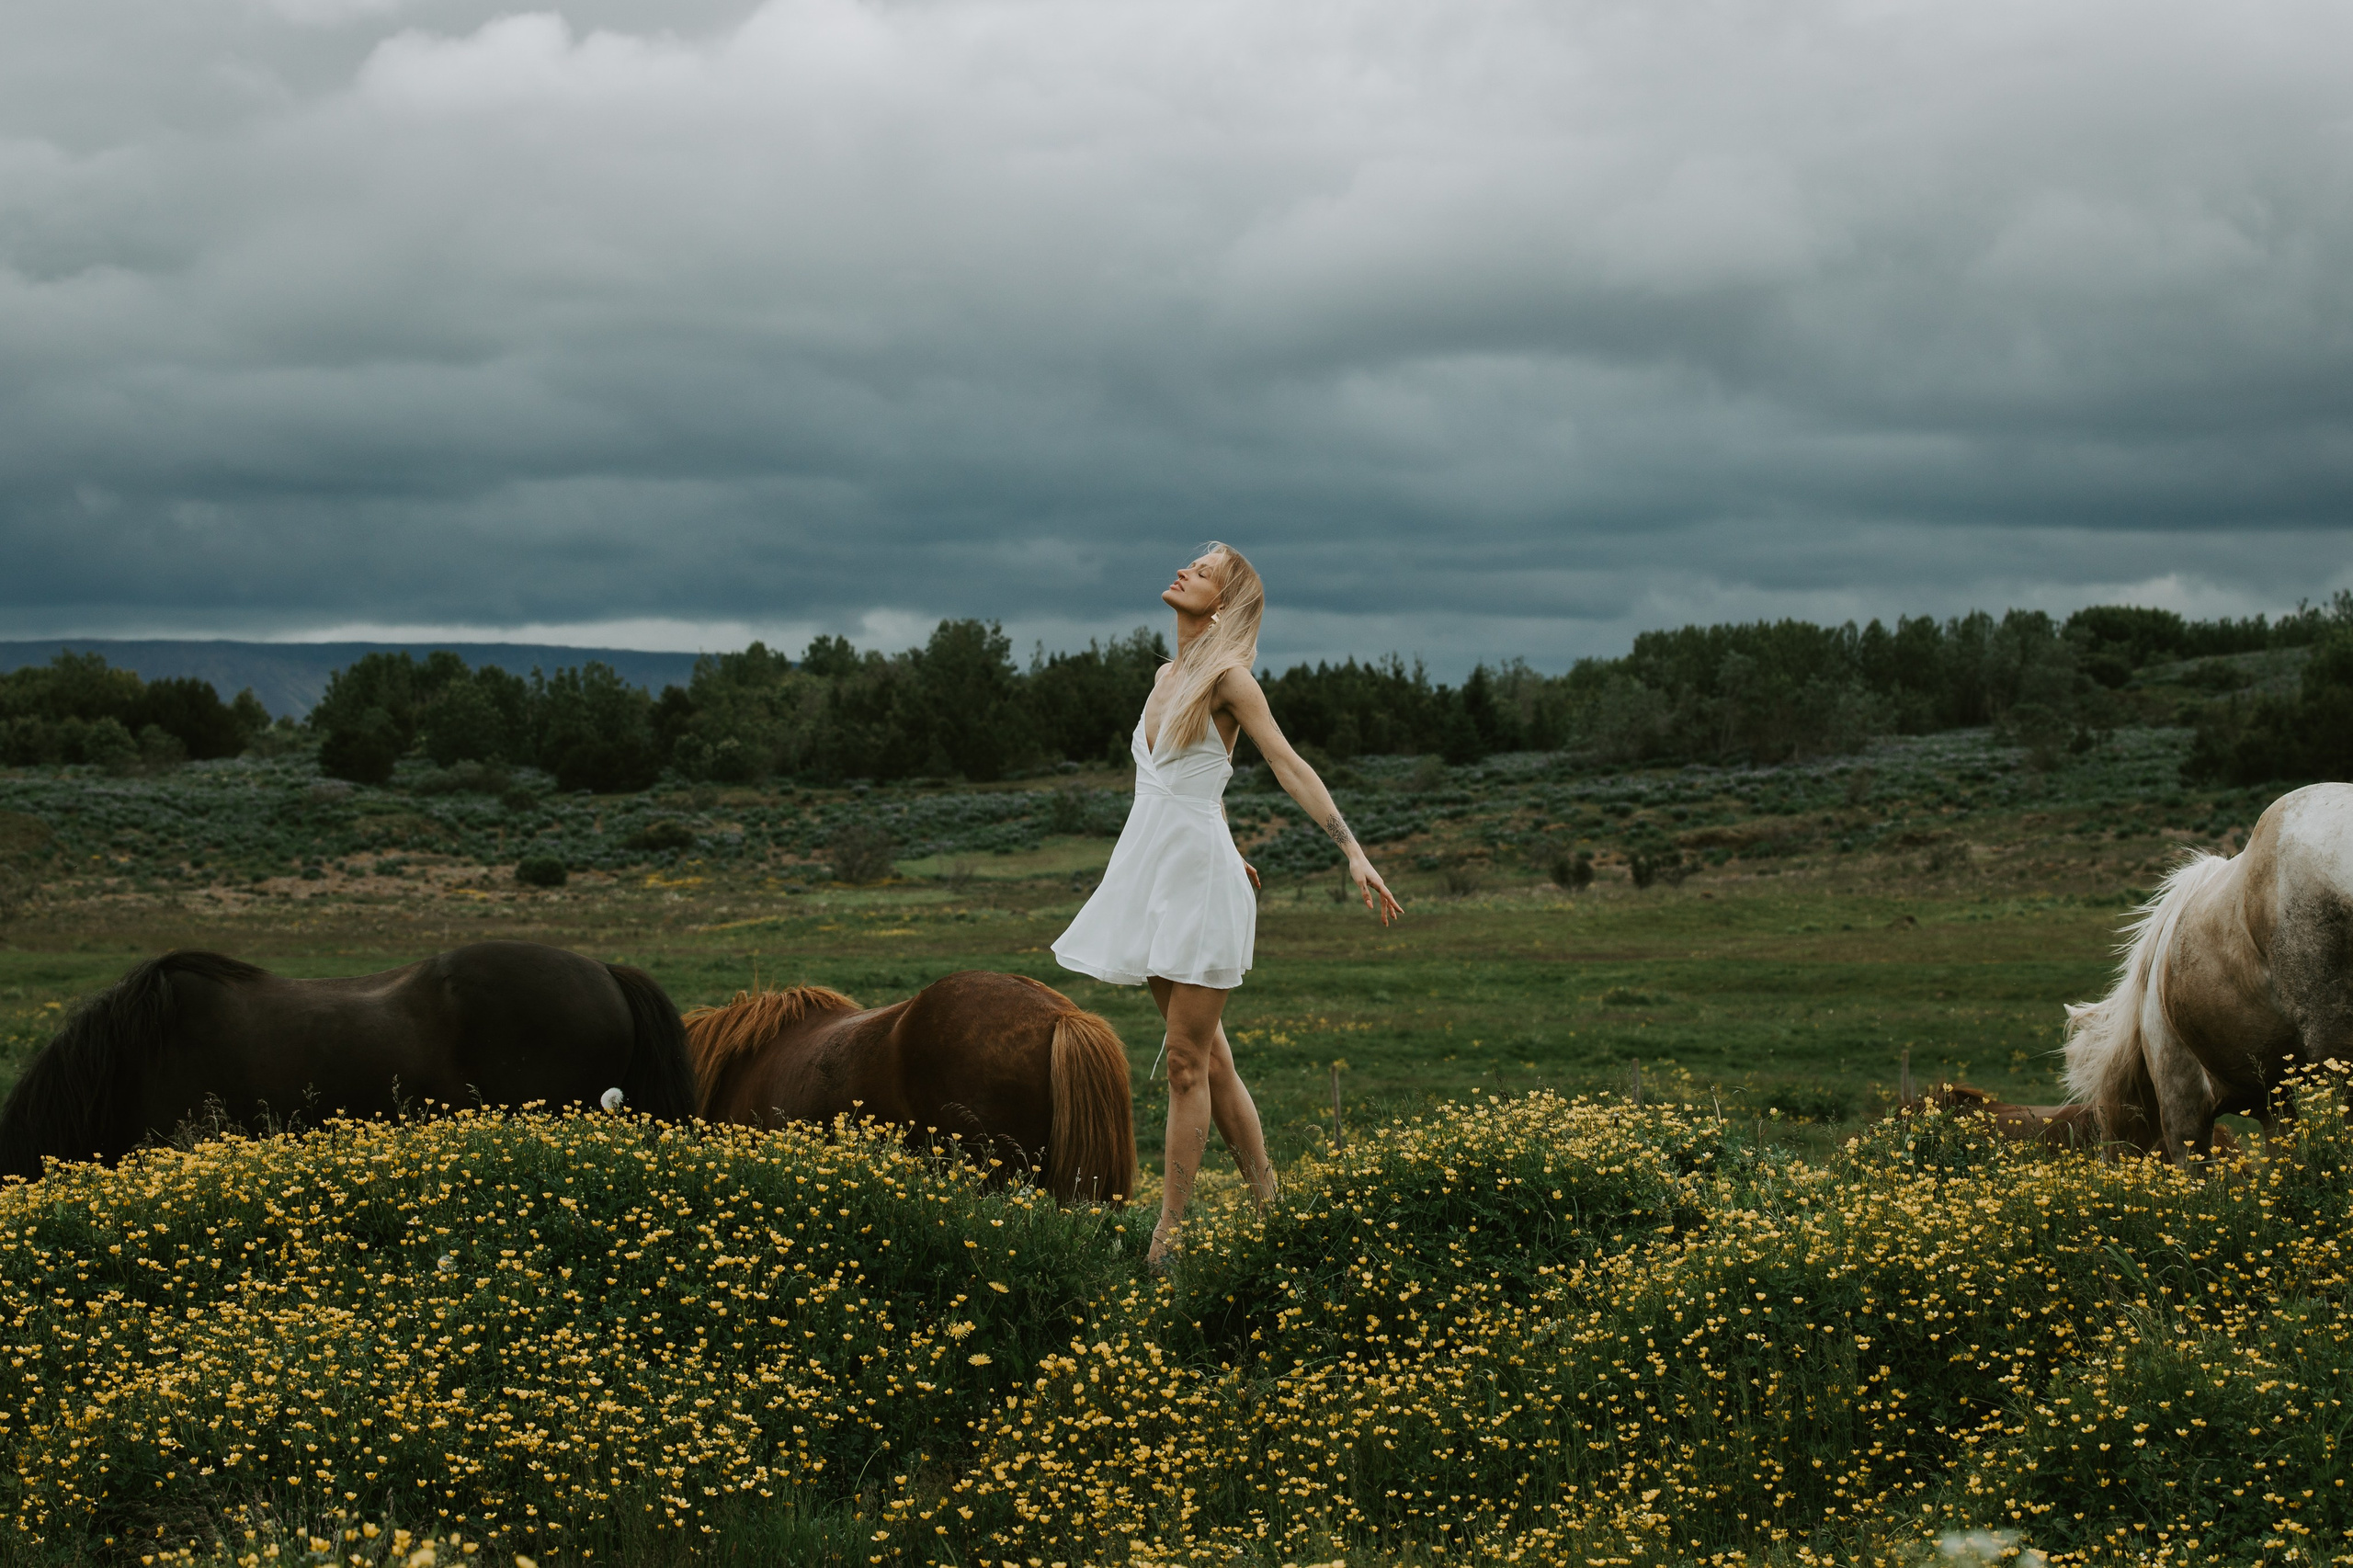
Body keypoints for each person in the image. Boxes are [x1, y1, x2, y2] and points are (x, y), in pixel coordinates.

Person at [1052, 542, 1404, 1267]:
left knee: (1184, 1063)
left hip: (1201, 888)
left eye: (1204, 571)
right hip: (1153, 879)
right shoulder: (1163, 677)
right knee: (1209, 1059)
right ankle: (1270, 1203)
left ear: (1223, 602)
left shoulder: (1229, 679)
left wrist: (1353, 850)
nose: (1185, 570)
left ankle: (1168, 1239)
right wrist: (1222, 834)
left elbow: (1285, 762)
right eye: (1192, 563)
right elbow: (1190, 786)